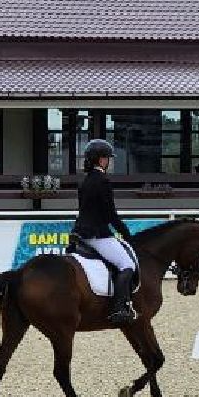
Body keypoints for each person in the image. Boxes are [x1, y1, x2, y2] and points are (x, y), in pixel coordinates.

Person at [68, 139, 139, 325]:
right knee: (127, 265)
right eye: (107, 158)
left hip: (81, 233)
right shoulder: (103, 180)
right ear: (100, 160)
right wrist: (127, 235)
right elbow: (111, 216)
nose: (109, 161)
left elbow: (83, 210)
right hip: (98, 235)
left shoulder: (84, 180)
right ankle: (119, 308)